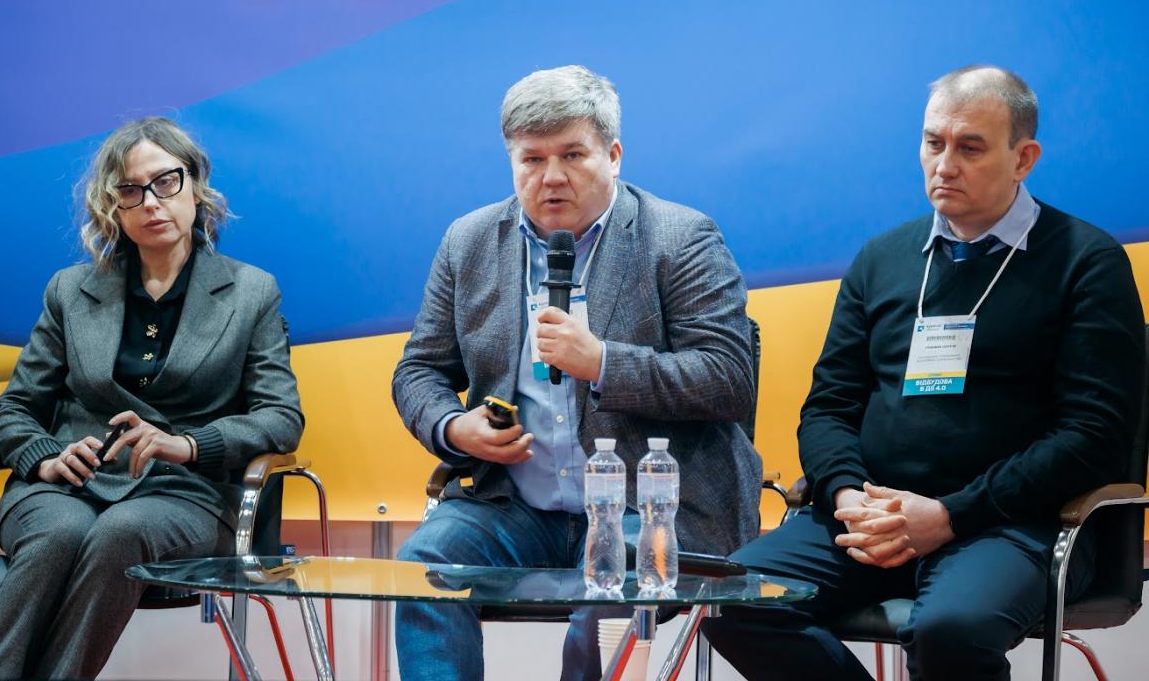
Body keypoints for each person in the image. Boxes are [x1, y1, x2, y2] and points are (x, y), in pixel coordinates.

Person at [702, 65, 1146, 680]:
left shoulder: (1086, 261)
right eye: (934, 143)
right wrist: (849, 497)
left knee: (950, 632)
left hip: (1009, 525)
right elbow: (828, 406)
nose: (945, 165)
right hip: (871, 518)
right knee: (732, 602)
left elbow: (1094, 437)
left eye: (970, 148)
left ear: (1023, 158)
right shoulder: (883, 258)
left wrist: (950, 515)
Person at [392, 64, 762, 681]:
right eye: (532, 159)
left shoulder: (681, 238)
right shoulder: (469, 241)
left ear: (613, 155)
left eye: (572, 155)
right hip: (517, 507)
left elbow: (728, 378)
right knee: (424, 568)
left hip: (652, 510)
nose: (552, 177)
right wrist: (454, 428)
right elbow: (420, 370)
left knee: (605, 599)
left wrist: (603, 363)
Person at [0, 117, 304, 679]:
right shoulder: (70, 290)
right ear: (113, 208)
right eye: (130, 190)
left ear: (195, 185)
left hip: (184, 493)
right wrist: (45, 457)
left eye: (166, 182)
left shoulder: (252, 293)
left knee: (120, 532)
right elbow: (14, 406)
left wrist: (188, 445)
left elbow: (280, 417)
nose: (151, 202)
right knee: (59, 534)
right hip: (66, 486)